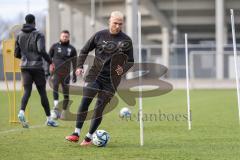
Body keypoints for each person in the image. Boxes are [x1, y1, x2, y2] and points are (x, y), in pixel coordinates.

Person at [65, 11, 134, 146]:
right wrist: (79, 66)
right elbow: (84, 50)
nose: (118, 26)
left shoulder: (126, 40)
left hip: (112, 80)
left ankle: (88, 138)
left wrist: (123, 69)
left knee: (99, 109)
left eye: (120, 24)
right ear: (110, 21)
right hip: (94, 75)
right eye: (115, 23)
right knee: (85, 101)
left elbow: (130, 61)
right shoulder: (99, 35)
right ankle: (76, 133)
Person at [14, 14, 58, 128]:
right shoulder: (39, 34)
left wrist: (24, 57)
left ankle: (21, 112)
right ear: (34, 22)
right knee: (42, 93)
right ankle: (49, 119)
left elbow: (16, 53)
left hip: (24, 66)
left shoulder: (19, 35)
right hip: (37, 67)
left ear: (25, 21)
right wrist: (50, 62)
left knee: (27, 91)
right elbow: (41, 50)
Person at [49, 30, 77, 120]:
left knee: (66, 93)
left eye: (66, 36)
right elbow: (48, 58)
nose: (64, 38)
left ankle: (64, 112)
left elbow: (75, 62)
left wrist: (75, 75)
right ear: (60, 37)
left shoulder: (72, 49)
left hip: (66, 74)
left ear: (68, 37)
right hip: (56, 73)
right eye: (63, 36)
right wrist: (48, 69)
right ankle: (56, 109)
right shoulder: (55, 46)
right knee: (55, 88)